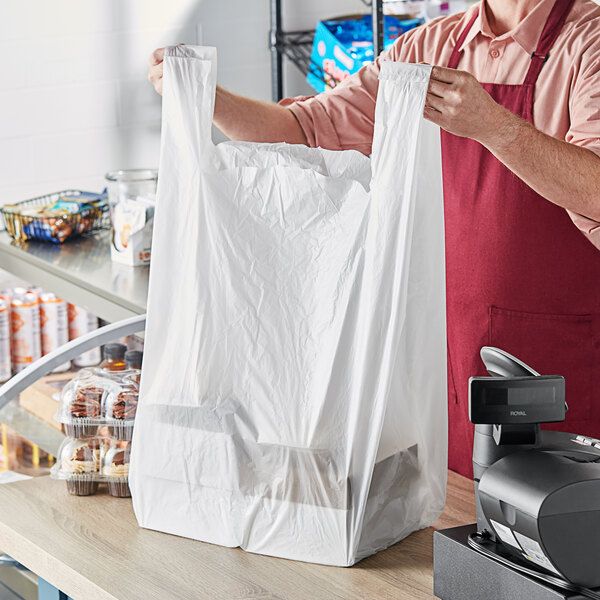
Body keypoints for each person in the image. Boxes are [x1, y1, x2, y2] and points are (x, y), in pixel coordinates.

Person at [148, 0, 600, 478]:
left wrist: (494, 127)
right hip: (450, 355)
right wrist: (211, 98)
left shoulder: (589, 45)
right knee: (458, 526)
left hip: (558, 360)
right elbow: (306, 131)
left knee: (559, 523)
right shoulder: (429, 47)